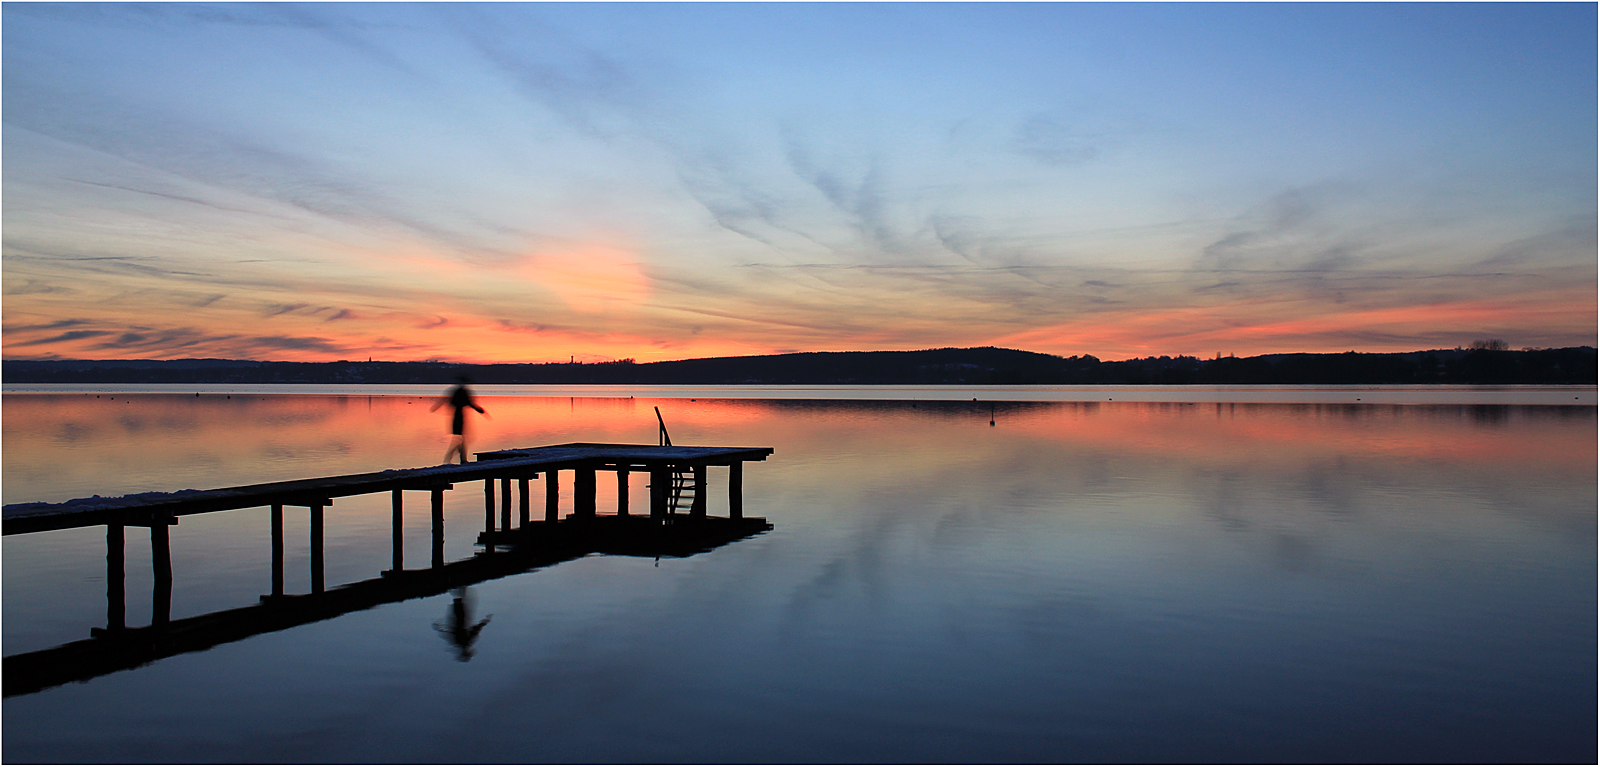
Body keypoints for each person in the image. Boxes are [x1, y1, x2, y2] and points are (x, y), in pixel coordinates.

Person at [430, 377, 487, 464]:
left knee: (460, 438)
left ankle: (458, 458)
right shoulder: (461, 392)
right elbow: (469, 403)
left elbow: (446, 400)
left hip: (458, 415)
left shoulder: (456, 391)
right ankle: (454, 458)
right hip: (458, 416)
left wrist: (436, 407)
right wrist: (479, 410)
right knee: (460, 438)